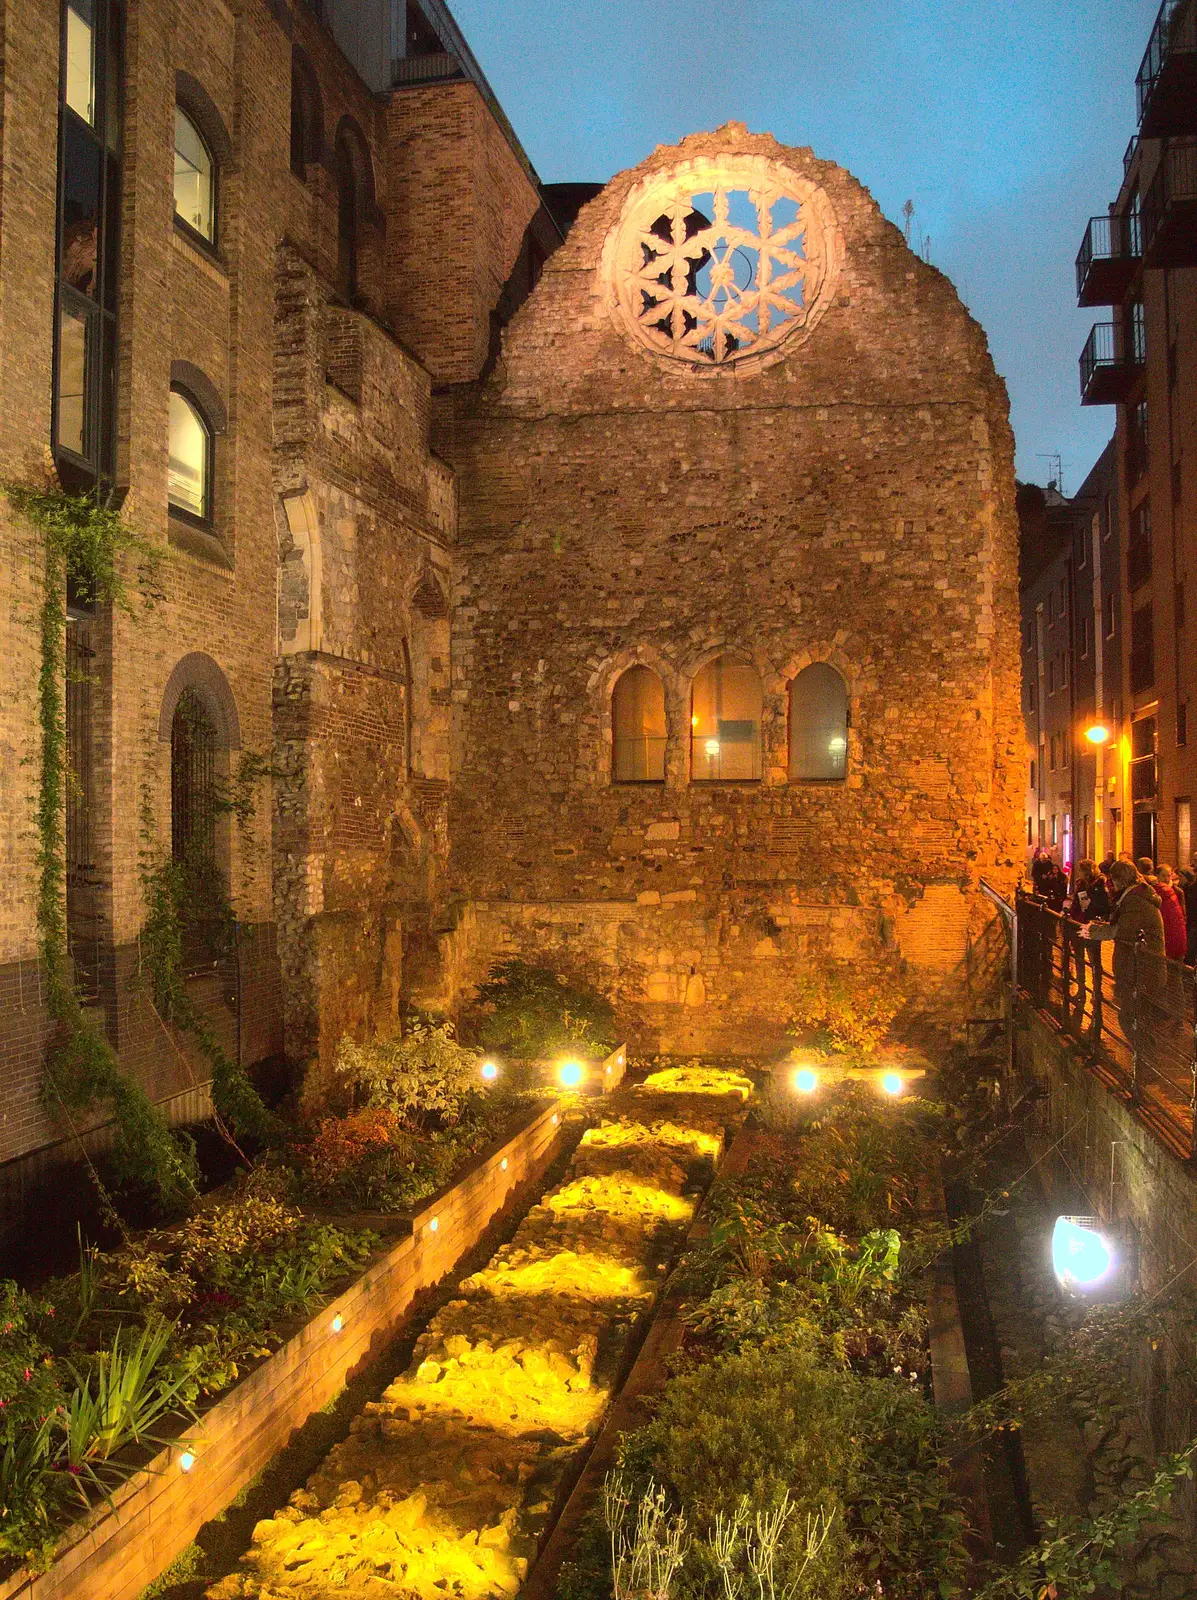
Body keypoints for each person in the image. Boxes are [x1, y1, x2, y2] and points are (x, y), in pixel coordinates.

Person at [1080, 859, 1166, 1012]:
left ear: (1119, 879)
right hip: (1138, 969)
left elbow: (1122, 929)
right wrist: (1098, 926)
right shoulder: (1134, 895)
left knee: (1133, 1019)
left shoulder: (1135, 900)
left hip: (1142, 971)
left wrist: (1092, 931)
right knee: (1132, 1018)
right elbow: (1123, 925)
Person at [1154, 865, 1188, 962]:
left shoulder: (1178, 891)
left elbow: (1183, 913)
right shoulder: (1153, 891)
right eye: (1163, 876)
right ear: (1157, 876)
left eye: (1168, 876)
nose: (1166, 879)